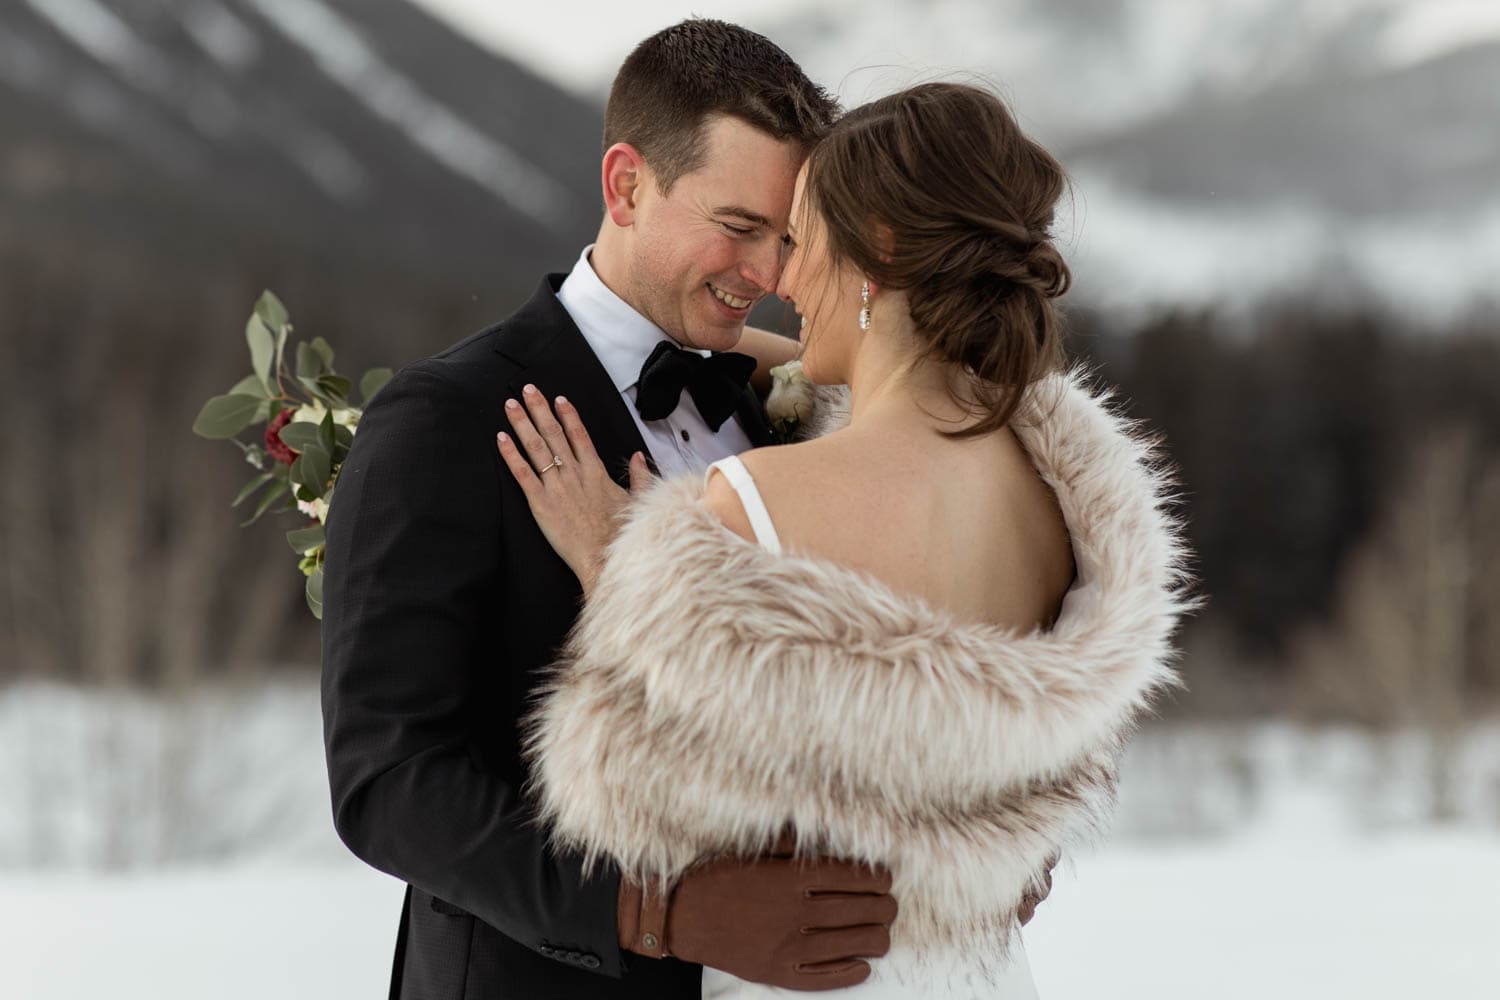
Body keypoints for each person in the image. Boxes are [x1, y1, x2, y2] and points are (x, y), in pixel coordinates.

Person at [323, 19, 1029, 1000]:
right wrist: (650, 911)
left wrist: (974, 840)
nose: (773, 273)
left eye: (790, 237)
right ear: (625, 184)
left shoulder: (800, 413)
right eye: (738, 227)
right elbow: (388, 783)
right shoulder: (445, 421)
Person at [498, 82, 1195, 997]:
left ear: (886, 250)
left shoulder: (754, 501)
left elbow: (633, 798)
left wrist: (615, 563)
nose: (782, 278)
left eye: (803, 238)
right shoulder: (1057, 510)